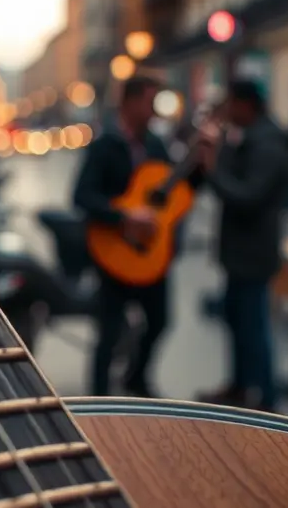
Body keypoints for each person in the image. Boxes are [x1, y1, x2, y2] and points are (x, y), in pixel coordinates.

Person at [73, 75, 195, 398]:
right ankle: (98, 400)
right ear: (128, 102)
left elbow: (173, 192)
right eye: (149, 101)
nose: (154, 110)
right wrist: (124, 215)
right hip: (113, 252)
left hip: (148, 255)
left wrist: (202, 167)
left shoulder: (156, 144)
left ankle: (135, 378)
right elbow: (81, 196)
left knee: (160, 321)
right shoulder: (104, 145)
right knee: (109, 332)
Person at [196, 79, 288, 411]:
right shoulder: (251, 138)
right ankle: (240, 388)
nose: (228, 111)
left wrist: (212, 170)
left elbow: (247, 197)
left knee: (254, 329)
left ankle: (267, 401)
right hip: (240, 254)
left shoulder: (267, 145)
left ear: (246, 104)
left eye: (232, 104)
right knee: (238, 324)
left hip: (252, 255)